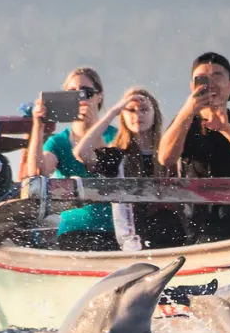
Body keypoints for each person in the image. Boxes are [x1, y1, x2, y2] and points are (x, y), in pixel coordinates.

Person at [159, 51, 230, 243]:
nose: (210, 83)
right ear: (192, 87)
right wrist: (187, 110)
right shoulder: (185, 124)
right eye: (202, 79)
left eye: (217, 76)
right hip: (201, 228)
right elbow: (165, 158)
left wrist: (226, 128)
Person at [75, 87, 185, 249]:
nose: (138, 115)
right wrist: (113, 111)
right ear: (122, 116)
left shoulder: (168, 153)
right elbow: (81, 152)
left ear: (155, 114)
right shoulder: (117, 155)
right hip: (134, 241)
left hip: (173, 235)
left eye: (144, 110)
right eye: (131, 110)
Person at [22, 67, 118, 251]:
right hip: (74, 229)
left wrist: (93, 127)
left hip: (113, 228)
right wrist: (38, 126)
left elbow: (106, 167)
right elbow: (37, 172)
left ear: (99, 97)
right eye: (72, 94)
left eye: (86, 92)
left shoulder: (115, 137)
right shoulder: (59, 141)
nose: (80, 99)